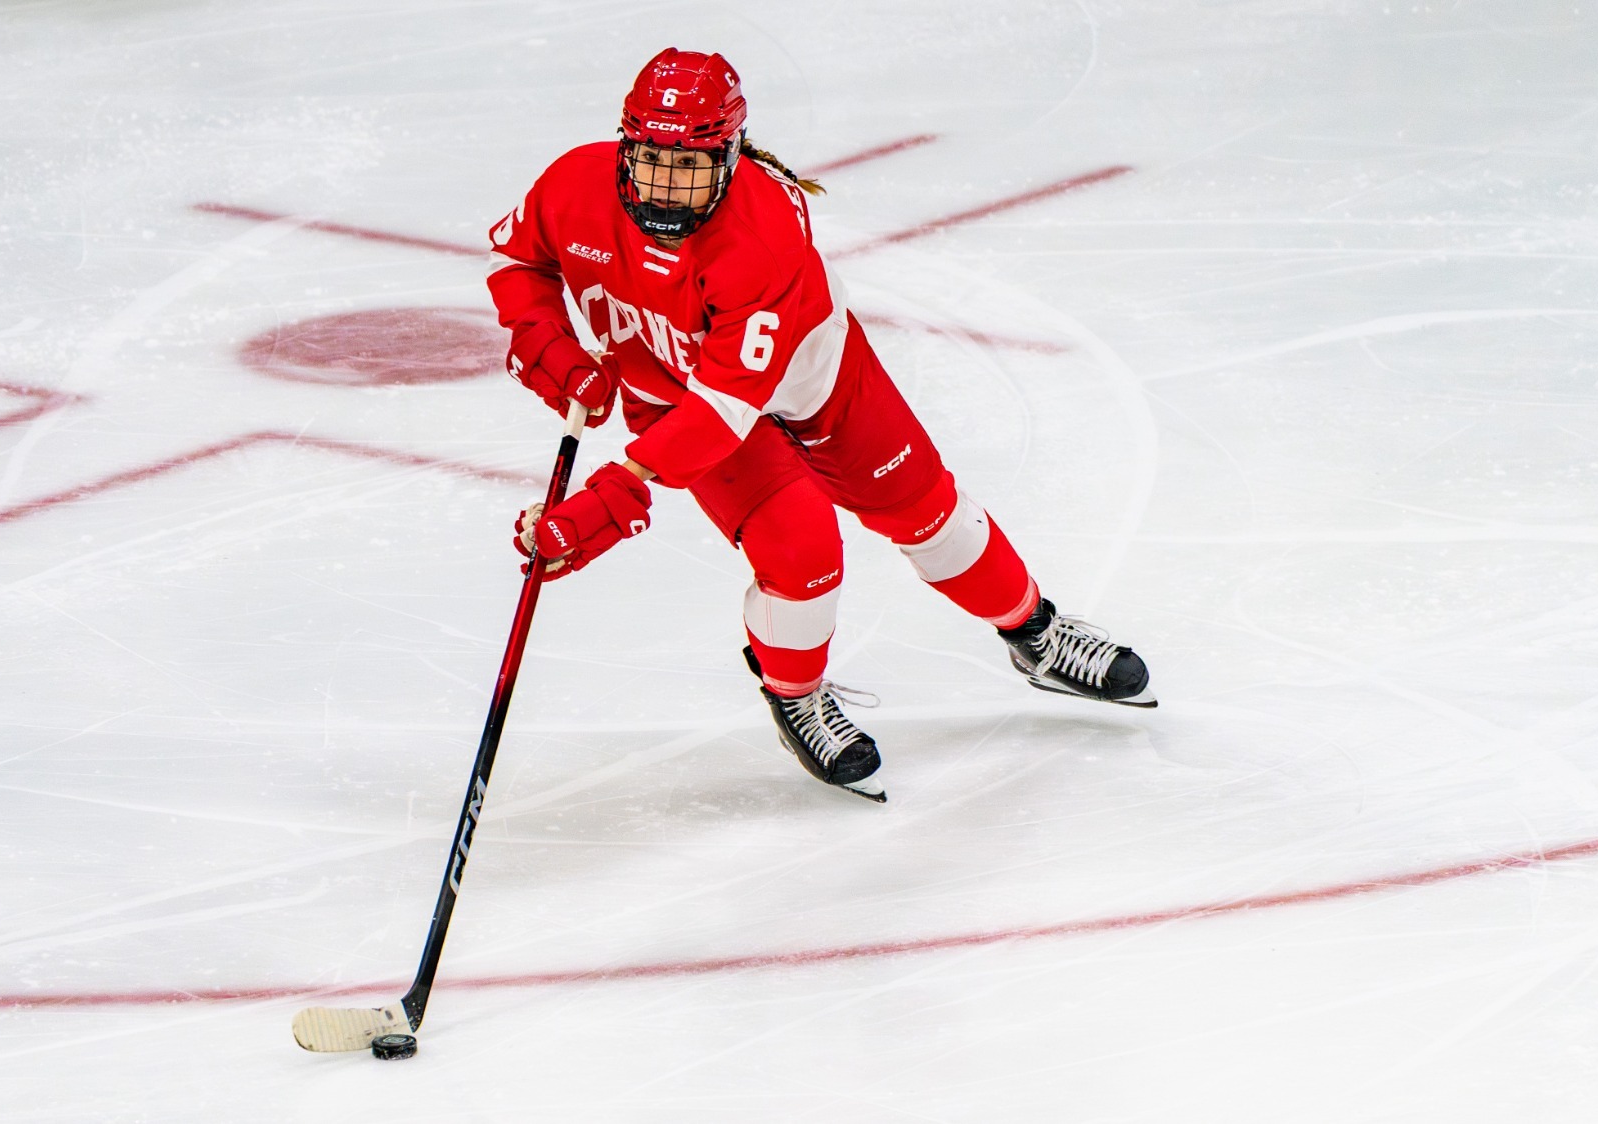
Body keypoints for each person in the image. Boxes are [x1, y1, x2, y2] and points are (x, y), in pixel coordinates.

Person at [487, 48, 1154, 803]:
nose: (667, 186)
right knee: (803, 553)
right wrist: (540, 337)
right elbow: (519, 262)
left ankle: (1035, 633)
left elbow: (726, 406)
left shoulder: (762, 230)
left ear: (732, 156)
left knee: (931, 516)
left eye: (693, 166)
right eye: (651, 160)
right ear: (624, 144)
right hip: (672, 395)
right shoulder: (572, 182)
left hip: (809, 381)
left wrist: (618, 490)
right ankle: (795, 693)